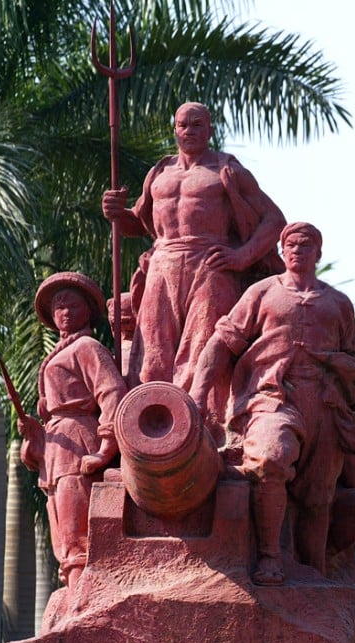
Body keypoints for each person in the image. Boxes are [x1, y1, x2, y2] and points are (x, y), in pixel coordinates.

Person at [190, 222, 355, 586]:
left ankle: (314, 573)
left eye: (306, 244)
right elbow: (222, 342)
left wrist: (350, 376)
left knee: (319, 494)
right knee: (271, 458)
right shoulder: (263, 293)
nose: (297, 250)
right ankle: (270, 558)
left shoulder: (337, 303)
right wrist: (198, 393)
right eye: (290, 244)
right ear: (281, 251)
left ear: (318, 253)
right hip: (271, 396)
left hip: (325, 403)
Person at [101, 102, 286, 413]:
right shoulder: (159, 172)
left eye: (197, 124)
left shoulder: (227, 170)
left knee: (203, 350)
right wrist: (116, 214)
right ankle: (151, 422)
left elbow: (274, 220)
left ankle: (204, 427)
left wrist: (242, 256)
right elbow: (137, 224)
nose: (190, 131)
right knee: (152, 353)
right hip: (163, 263)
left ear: (209, 130)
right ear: (175, 130)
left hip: (211, 264)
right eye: (184, 125)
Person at [18, 272, 128, 589]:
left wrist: (106, 447)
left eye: (72, 306)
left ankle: (83, 597)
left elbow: (111, 393)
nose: (64, 313)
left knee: (76, 528)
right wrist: (33, 433)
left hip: (80, 439)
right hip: (56, 447)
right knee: (62, 529)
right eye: (58, 308)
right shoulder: (59, 352)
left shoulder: (87, 347)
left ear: (88, 311)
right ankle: (72, 592)